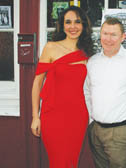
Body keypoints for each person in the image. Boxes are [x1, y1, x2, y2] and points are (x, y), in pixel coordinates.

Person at [31, 6, 93, 168]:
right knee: (59, 161)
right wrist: (35, 116)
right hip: (52, 115)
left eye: (77, 22)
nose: (73, 26)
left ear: (84, 25)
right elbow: (37, 83)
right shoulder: (51, 47)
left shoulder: (87, 53)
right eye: (68, 22)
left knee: (71, 161)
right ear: (62, 25)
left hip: (78, 115)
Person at [84, 17, 126, 168]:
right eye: (105, 33)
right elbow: (87, 91)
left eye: (113, 34)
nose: (108, 39)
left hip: (121, 132)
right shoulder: (93, 62)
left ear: (123, 37)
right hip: (96, 130)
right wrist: (91, 122)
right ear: (100, 35)